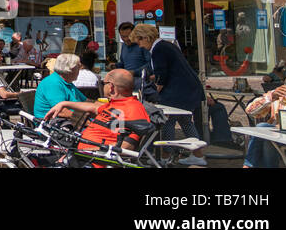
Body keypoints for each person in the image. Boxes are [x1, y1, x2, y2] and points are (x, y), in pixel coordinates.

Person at [134, 23, 204, 160]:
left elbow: (161, 76)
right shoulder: (167, 45)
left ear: (146, 37)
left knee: (166, 120)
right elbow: (169, 70)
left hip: (178, 92)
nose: (140, 46)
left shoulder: (158, 49)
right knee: (185, 121)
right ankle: (198, 154)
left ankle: (166, 155)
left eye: (139, 41)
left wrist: (154, 93)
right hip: (188, 89)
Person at [45, 68, 150, 158]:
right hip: (82, 154)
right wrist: (64, 103)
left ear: (111, 87)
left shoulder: (134, 110)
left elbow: (126, 148)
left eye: (104, 83)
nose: (102, 86)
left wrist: (80, 153)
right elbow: (94, 108)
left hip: (93, 159)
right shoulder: (117, 103)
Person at [33, 52, 86, 118]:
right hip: (54, 124)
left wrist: (99, 108)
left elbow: (85, 101)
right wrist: (87, 122)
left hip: (71, 120)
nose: (80, 70)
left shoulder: (67, 82)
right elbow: (61, 112)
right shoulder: (52, 83)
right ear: (70, 69)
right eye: (78, 66)